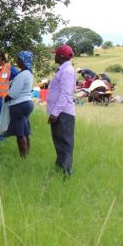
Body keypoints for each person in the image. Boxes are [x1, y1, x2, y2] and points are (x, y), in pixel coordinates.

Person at [47, 45, 77, 175]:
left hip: (63, 113)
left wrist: (55, 113)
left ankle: (66, 172)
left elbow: (65, 94)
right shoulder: (64, 70)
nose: (55, 56)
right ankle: (60, 169)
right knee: (59, 142)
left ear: (61, 56)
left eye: (56, 54)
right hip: (60, 113)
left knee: (64, 143)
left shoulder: (67, 71)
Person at [3, 51, 35, 158]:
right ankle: (27, 155)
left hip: (19, 105)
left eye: (19, 59)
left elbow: (14, 93)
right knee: (25, 131)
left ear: (23, 61)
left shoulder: (22, 75)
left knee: (20, 133)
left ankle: (23, 157)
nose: (17, 61)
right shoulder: (29, 73)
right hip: (27, 103)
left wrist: (6, 98)